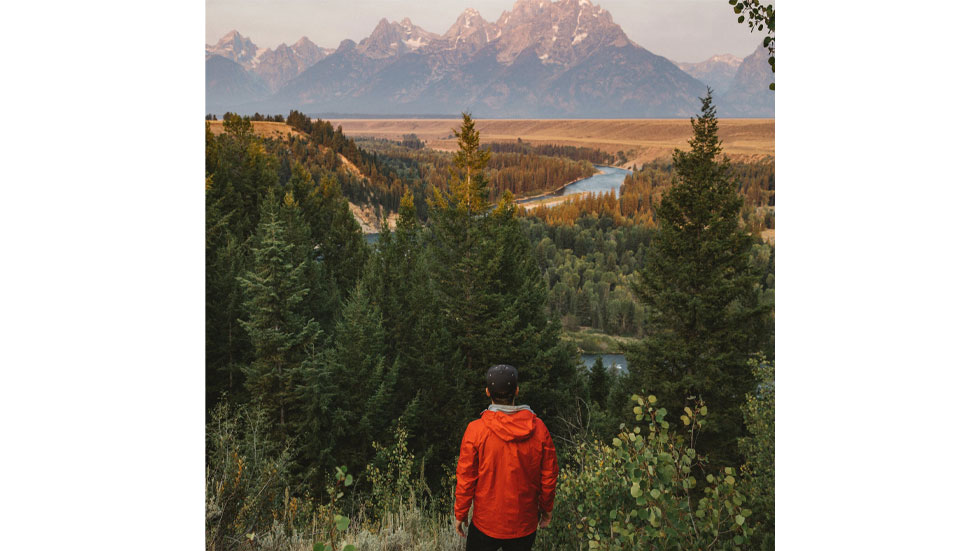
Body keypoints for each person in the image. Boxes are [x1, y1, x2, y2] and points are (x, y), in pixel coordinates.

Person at [454, 364, 558, 551]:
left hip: (486, 523)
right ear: (516, 390)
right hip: (524, 524)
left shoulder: (476, 430)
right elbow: (549, 477)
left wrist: (460, 513)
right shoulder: (539, 429)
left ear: (487, 392)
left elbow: (465, 478)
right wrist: (546, 509)